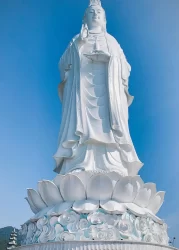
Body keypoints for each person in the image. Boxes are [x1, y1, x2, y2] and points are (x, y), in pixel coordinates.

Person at [54, 0, 143, 176]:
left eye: (99, 13)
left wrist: (110, 59)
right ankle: (78, 163)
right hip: (83, 97)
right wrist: (79, 44)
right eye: (91, 12)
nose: (95, 15)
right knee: (82, 130)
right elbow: (62, 65)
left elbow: (127, 68)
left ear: (104, 20)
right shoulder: (76, 40)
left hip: (108, 95)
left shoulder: (112, 41)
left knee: (108, 129)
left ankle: (112, 164)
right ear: (85, 18)